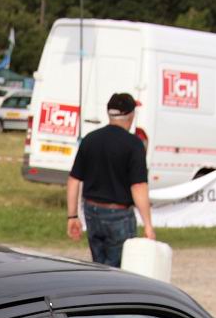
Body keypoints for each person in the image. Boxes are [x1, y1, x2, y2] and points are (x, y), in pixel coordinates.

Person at [65, 91, 155, 267]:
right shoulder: (133, 144)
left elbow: (74, 180)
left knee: (99, 266)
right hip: (119, 214)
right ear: (131, 115)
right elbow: (138, 186)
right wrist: (148, 224)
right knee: (119, 271)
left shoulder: (90, 140)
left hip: (92, 211)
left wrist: (72, 216)